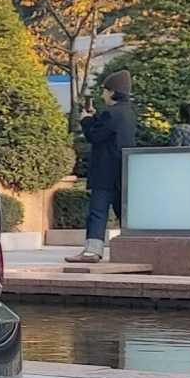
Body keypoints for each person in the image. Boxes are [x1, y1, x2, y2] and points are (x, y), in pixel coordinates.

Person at [75, 70, 134, 261]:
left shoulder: (111, 114)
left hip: (104, 171)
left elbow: (95, 136)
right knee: (123, 212)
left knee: (98, 211)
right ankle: (133, 247)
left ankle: (92, 251)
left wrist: (86, 120)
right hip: (122, 170)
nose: (102, 95)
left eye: (105, 91)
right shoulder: (129, 113)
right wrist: (95, 118)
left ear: (113, 92)